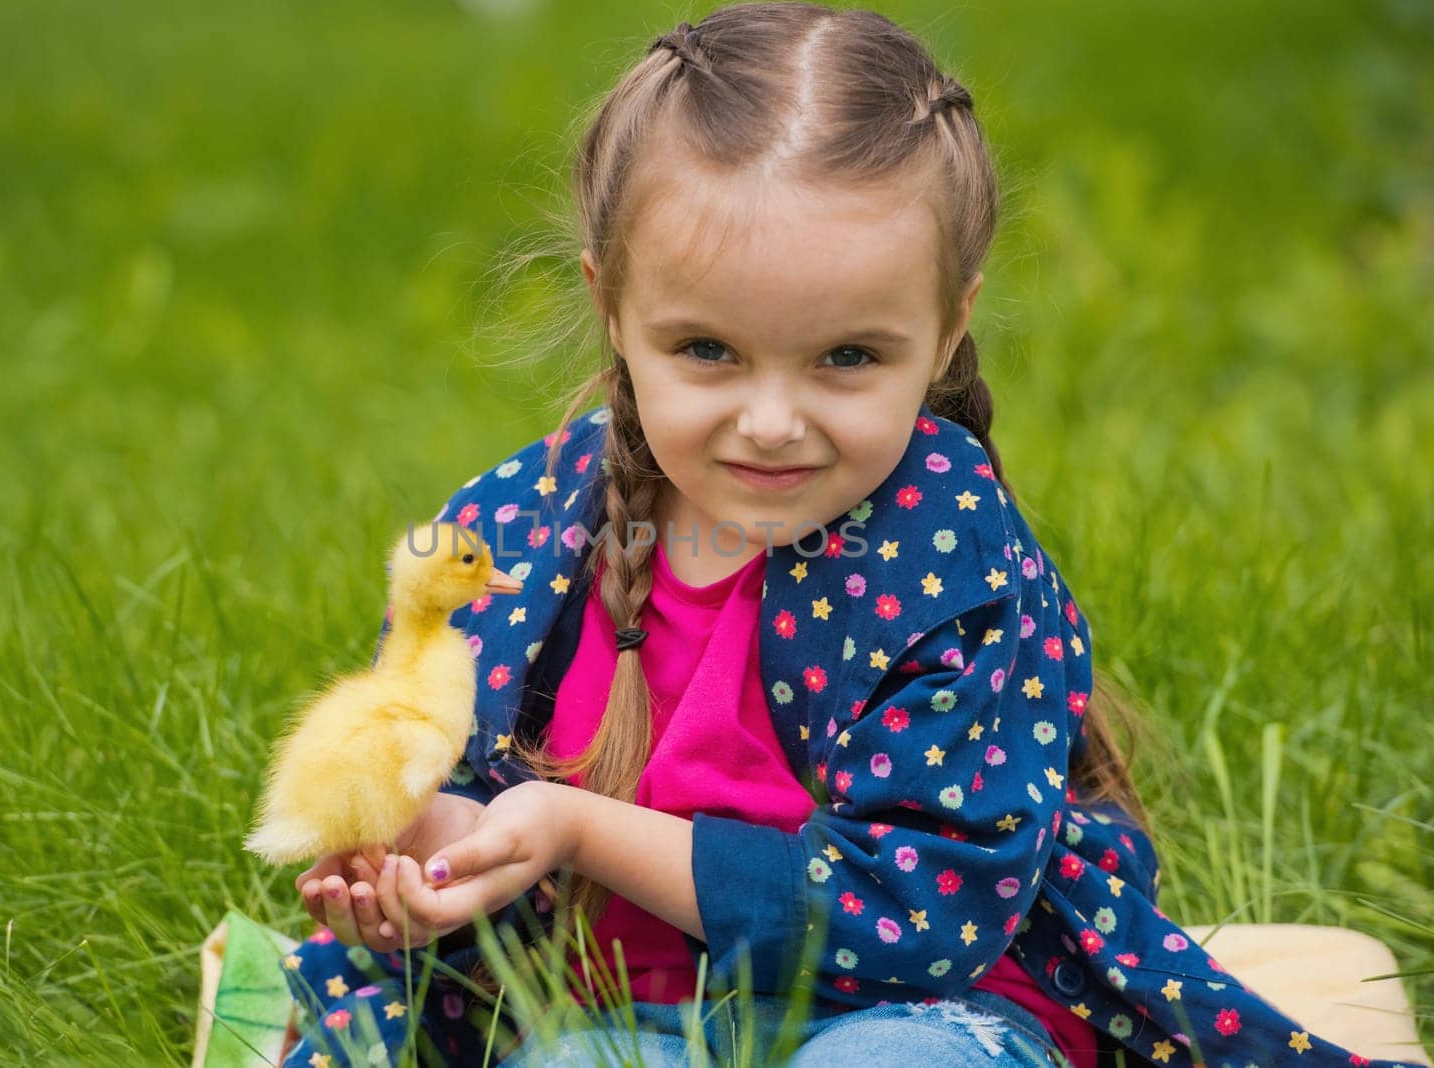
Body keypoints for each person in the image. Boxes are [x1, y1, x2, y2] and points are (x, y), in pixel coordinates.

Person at [271, 5, 1420, 1067]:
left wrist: (574, 826)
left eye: (847, 358)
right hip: (629, 1013)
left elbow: (915, 918)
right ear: (611, 304)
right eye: (707, 351)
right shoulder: (517, 542)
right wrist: (439, 849)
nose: (772, 423)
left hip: (936, 1009)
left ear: (947, 322)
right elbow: (477, 798)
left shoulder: (946, 553)